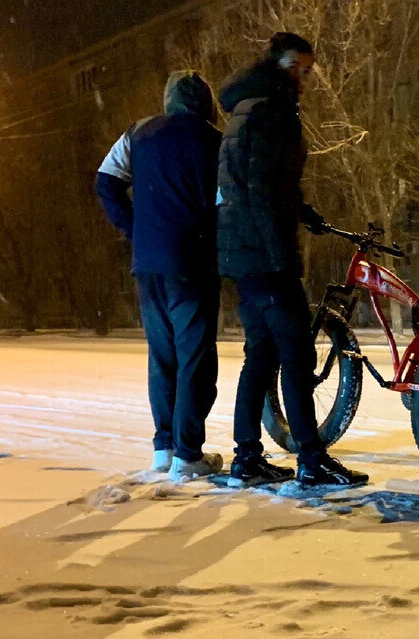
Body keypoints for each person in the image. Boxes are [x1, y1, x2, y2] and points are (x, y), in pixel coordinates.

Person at [216, 32, 368, 488]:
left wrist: (304, 214)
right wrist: (279, 253)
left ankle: (246, 459)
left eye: (309, 71)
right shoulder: (269, 111)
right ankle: (311, 458)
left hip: (244, 254)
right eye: (300, 69)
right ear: (280, 65)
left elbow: (268, 182)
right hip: (264, 255)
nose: (306, 79)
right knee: (296, 355)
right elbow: (260, 189)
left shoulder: (249, 108)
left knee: (260, 356)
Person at [94, 71, 225, 482]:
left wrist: (135, 229)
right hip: (193, 263)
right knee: (195, 358)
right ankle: (188, 454)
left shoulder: (138, 134)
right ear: (205, 103)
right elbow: (226, 203)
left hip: (148, 263)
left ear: (168, 100)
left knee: (163, 356)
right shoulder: (215, 142)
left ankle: (164, 448)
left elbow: (105, 183)